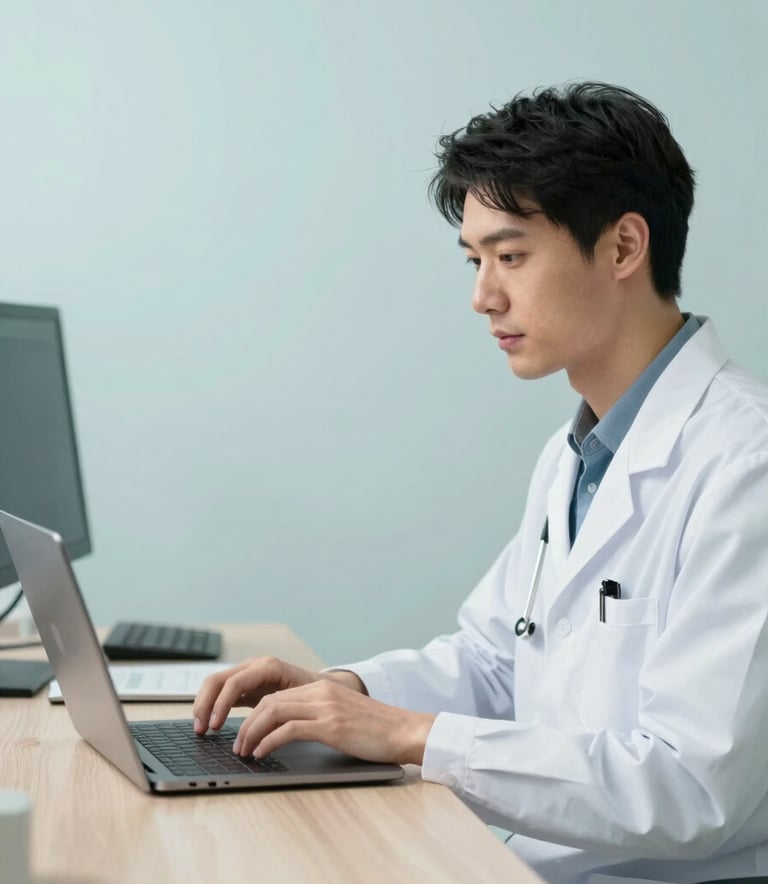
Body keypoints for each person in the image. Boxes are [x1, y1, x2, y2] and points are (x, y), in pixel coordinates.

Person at [193, 82, 768, 884]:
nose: (482, 296)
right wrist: (344, 692)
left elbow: (688, 790)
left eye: (510, 256)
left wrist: (408, 736)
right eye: (475, 260)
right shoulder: (578, 452)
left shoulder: (745, 464)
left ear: (623, 248)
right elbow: (500, 662)